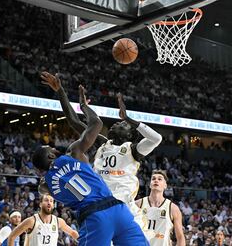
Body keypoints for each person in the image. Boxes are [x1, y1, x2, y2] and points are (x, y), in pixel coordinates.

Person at [29, 85, 149, 246]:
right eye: (51, 148)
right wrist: (82, 105)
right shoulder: (74, 153)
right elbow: (95, 123)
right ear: (51, 155)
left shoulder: (45, 186)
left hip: (95, 216)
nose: (55, 147)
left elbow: (75, 123)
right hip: (118, 208)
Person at [40, 71, 162, 229]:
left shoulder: (133, 150)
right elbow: (74, 121)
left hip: (123, 204)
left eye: (122, 124)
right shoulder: (103, 144)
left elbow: (157, 138)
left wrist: (128, 119)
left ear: (129, 134)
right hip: (99, 202)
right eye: (119, 122)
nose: (116, 124)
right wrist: (61, 92)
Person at [135, 170, 185, 246]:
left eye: (159, 179)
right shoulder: (138, 204)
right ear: (150, 185)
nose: (156, 180)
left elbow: (180, 237)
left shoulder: (173, 208)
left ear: (165, 185)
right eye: (153, 179)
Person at [8, 194, 78, 246]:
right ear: (40, 204)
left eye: (51, 201)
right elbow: (12, 236)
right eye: (46, 200)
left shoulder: (58, 221)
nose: (49, 203)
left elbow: (72, 233)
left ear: (53, 205)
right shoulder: (31, 221)